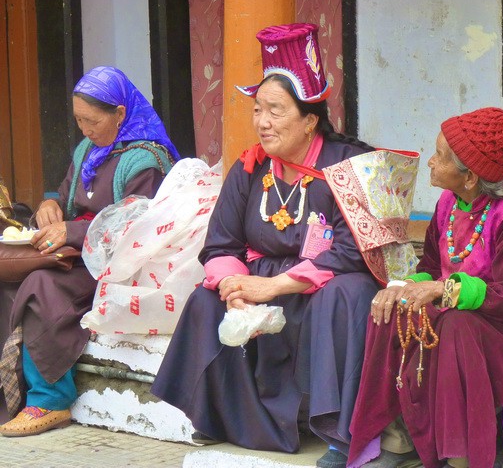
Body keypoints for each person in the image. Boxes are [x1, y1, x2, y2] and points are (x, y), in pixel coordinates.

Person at [150, 23, 379, 468]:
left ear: (310, 120)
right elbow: (220, 244)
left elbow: (353, 252)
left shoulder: (349, 164)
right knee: (205, 300)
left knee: (346, 294)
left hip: (320, 288)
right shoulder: (251, 168)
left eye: (275, 110)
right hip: (261, 284)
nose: (262, 122)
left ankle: (339, 432)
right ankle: (227, 418)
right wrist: (236, 288)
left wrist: (274, 288)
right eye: (258, 110)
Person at [347, 107, 503, 468]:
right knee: (393, 308)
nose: (430, 162)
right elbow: (430, 268)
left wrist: (442, 291)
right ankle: (400, 438)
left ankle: (461, 456)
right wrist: (406, 287)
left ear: (469, 176)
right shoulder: (448, 204)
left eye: (439, 156)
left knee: (457, 324)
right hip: (477, 315)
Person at [0, 65, 179, 436]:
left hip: (119, 265)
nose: (84, 129)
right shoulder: (88, 150)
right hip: (77, 253)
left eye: (92, 121)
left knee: (40, 284)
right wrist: (50, 206)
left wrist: (73, 230)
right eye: (79, 120)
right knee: (9, 281)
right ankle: (11, 391)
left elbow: (136, 228)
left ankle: (50, 399)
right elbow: (66, 197)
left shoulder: (146, 160)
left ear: (120, 113)